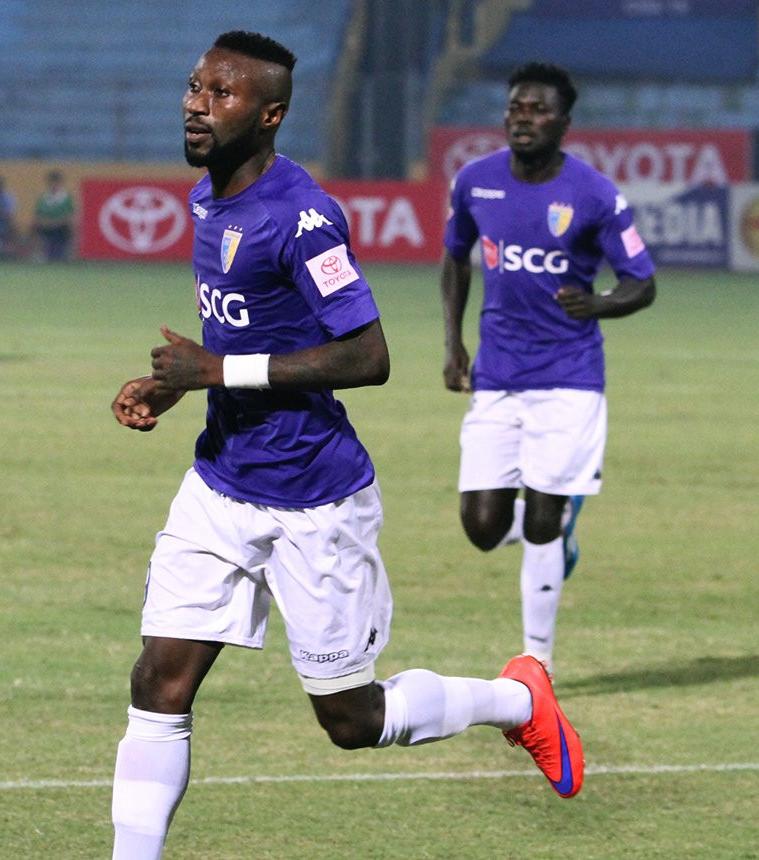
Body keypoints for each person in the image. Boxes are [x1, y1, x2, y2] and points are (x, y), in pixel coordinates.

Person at [109, 32, 584, 860]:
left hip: (314, 498)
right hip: (220, 482)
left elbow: (368, 356)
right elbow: (250, 330)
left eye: (221, 94)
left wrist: (216, 369)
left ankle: (518, 702)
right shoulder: (207, 196)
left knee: (351, 720)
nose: (196, 104)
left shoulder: (301, 218)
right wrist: (184, 382)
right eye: (194, 87)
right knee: (159, 680)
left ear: (270, 115)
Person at [441, 62, 656, 673]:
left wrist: (599, 304)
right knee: (482, 528)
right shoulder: (475, 182)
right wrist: (453, 344)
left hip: (570, 378)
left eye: (538, 110)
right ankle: (558, 519)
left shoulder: (594, 194)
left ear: (564, 122)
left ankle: (537, 663)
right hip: (497, 376)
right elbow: (455, 259)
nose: (523, 118)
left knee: (539, 522)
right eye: (516, 107)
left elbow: (641, 282)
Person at [32, 169, 74, 261]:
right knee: (34, 226)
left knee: (71, 227)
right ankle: (39, 254)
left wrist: (56, 222)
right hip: (46, 226)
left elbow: (70, 216)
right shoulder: (43, 198)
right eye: (51, 182)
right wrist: (47, 222)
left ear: (60, 183)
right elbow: (38, 215)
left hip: (62, 227)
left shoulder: (66, 198)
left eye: (56, 182)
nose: (53, 185)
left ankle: (69, 254)